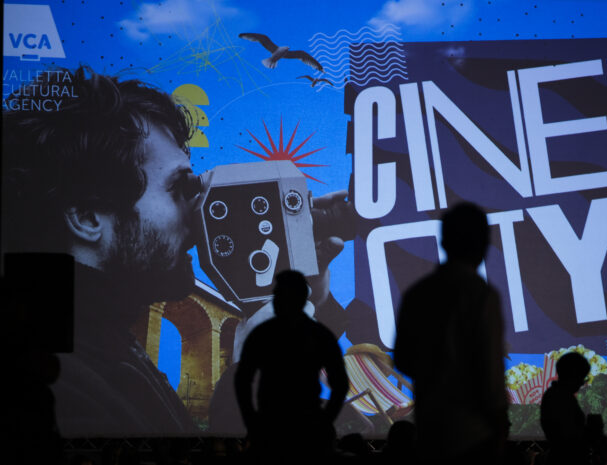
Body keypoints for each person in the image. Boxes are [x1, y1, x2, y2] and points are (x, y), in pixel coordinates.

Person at [3, 66, 202, 435]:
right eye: (178, 188)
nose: (196, 211)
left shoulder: (97, 342)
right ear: (87, 217)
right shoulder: (54, 382)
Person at [394, 202, 508, 462]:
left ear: (444, 242)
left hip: (430, 432)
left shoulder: (417, 294)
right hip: (476, 435)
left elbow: (402, 359)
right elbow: (490, 371)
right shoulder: (481, 296)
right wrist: (500, 426)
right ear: (483, 245)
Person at [234, 270, 348, 460]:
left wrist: (252, 421)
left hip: (274, 424)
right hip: (301, 423)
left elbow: (242, 380)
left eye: (278, 295)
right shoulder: (321, 334)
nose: (276, 300)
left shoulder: (262, 334)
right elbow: (340, 384)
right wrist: (325, 421)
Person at [540, 352, 591, 465]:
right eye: (582, 377)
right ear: (572, 375)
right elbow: (567, 437)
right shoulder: (559, 397)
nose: (582, 382)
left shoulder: (556, 395)